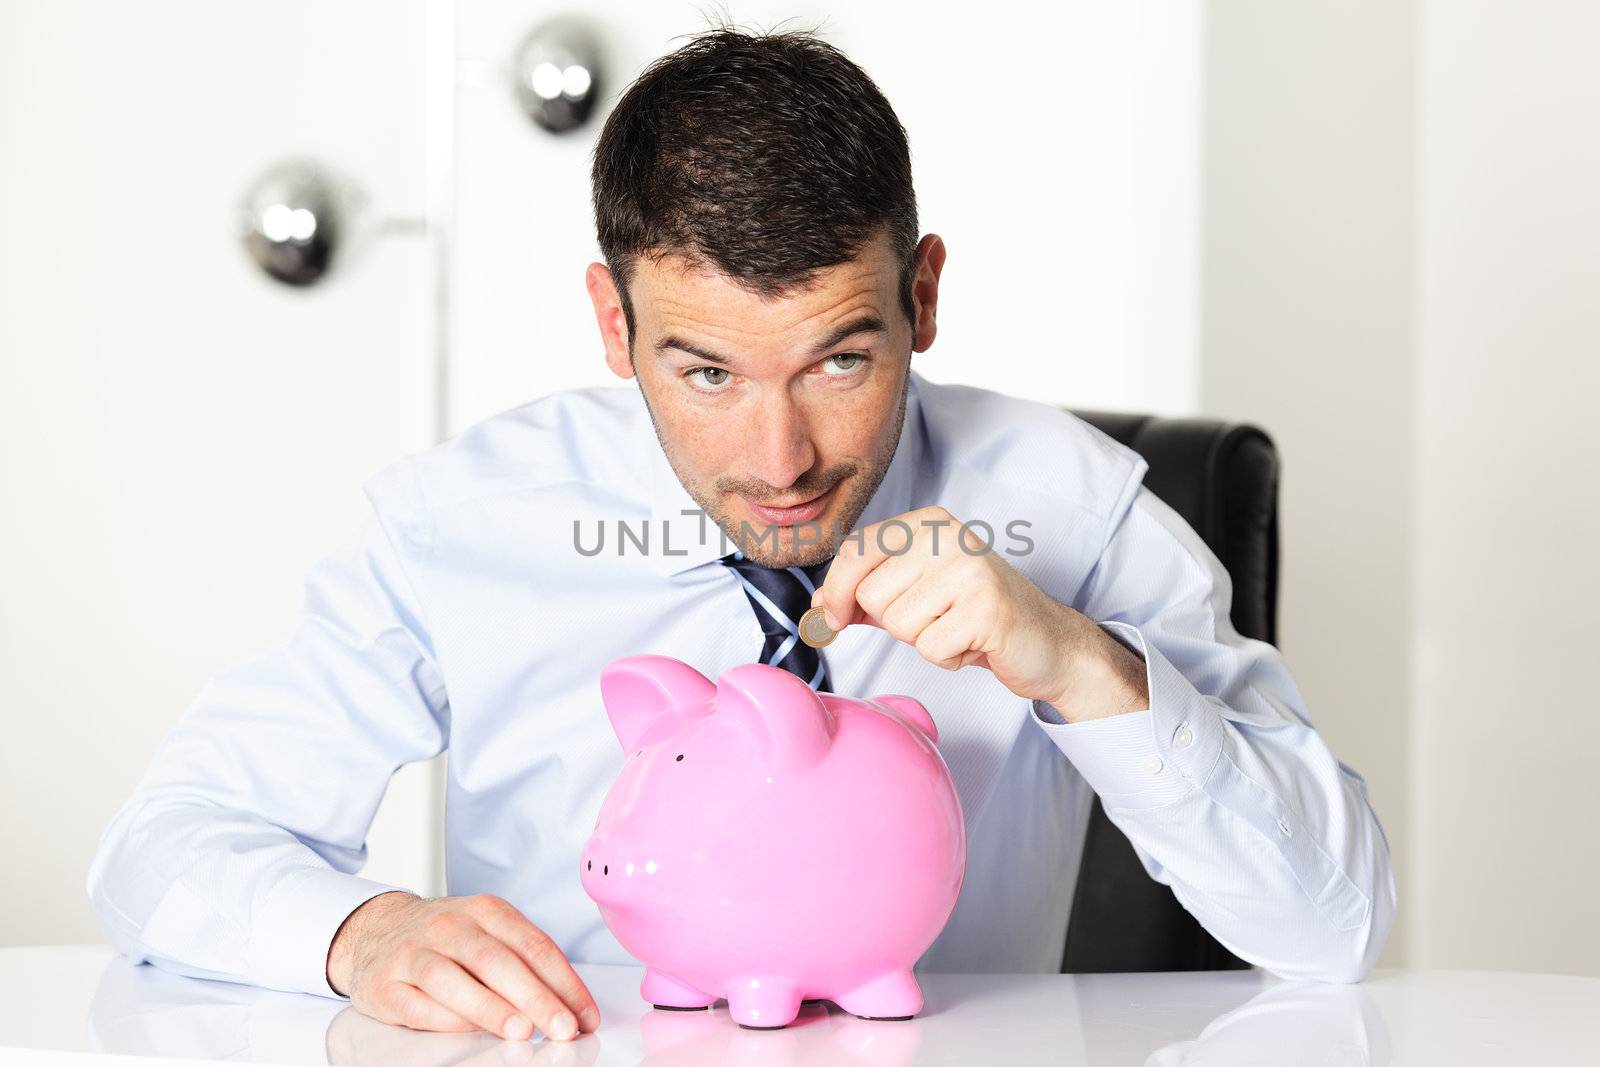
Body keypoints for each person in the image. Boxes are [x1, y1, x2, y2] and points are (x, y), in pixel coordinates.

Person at [86, 26, 1395, 1044]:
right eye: (707, 373)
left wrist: (1081, 664)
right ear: (613, 324)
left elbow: (1335, 930)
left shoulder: (1080, 503)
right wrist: (361, 934)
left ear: (922, 294)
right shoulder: (462, 523)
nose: (782, 464)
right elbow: (164, 847)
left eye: (840, 360)